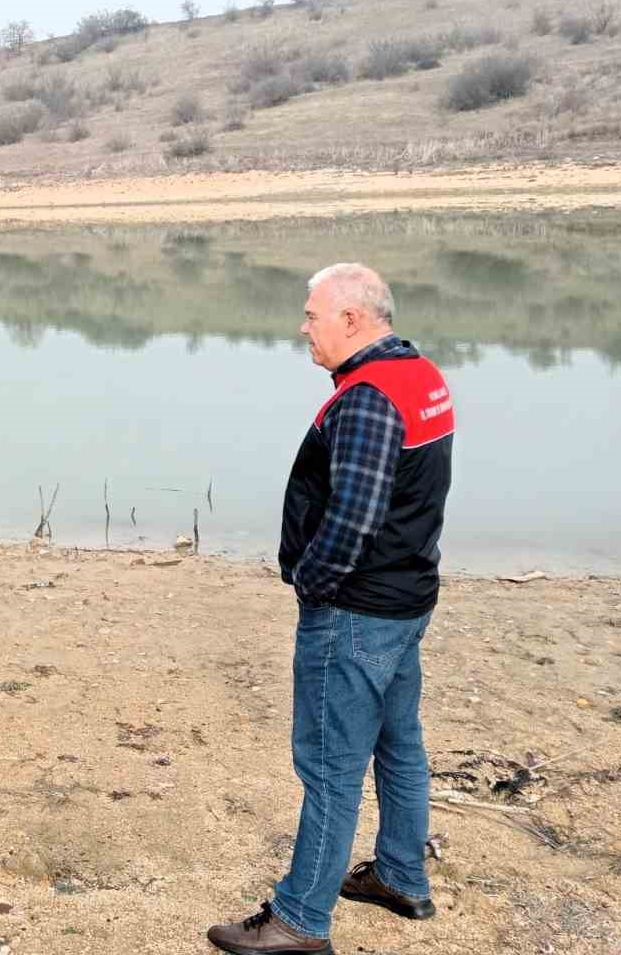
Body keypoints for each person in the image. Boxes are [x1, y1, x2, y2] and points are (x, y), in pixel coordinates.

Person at [208, 264, 456, 955]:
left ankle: (298, 920)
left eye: (312, 315)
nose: (303, 327)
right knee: (398, 742)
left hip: (359, 609)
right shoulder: (421, 375)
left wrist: (311, 581)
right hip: (406, 597)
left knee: (328, 765)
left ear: (353, 319)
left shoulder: (371, 397)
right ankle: (403, 877)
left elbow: (355, 518)